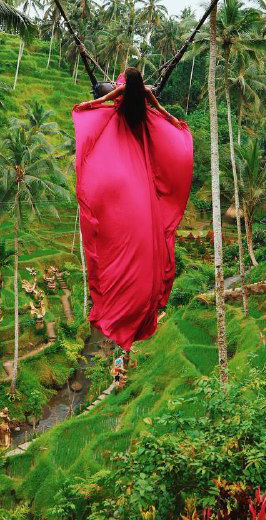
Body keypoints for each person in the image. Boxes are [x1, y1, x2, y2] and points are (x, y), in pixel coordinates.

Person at [73, 67, 193, 351]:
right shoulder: (145, 94)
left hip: (123, 150)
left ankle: (117, 310)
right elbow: (160, 110)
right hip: (139, 153)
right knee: (145, 230)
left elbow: (99, 103)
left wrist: (84, 108)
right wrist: (173, 122)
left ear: (125, 83)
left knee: (120, 232)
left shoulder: (123, 92)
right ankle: (134, 309)